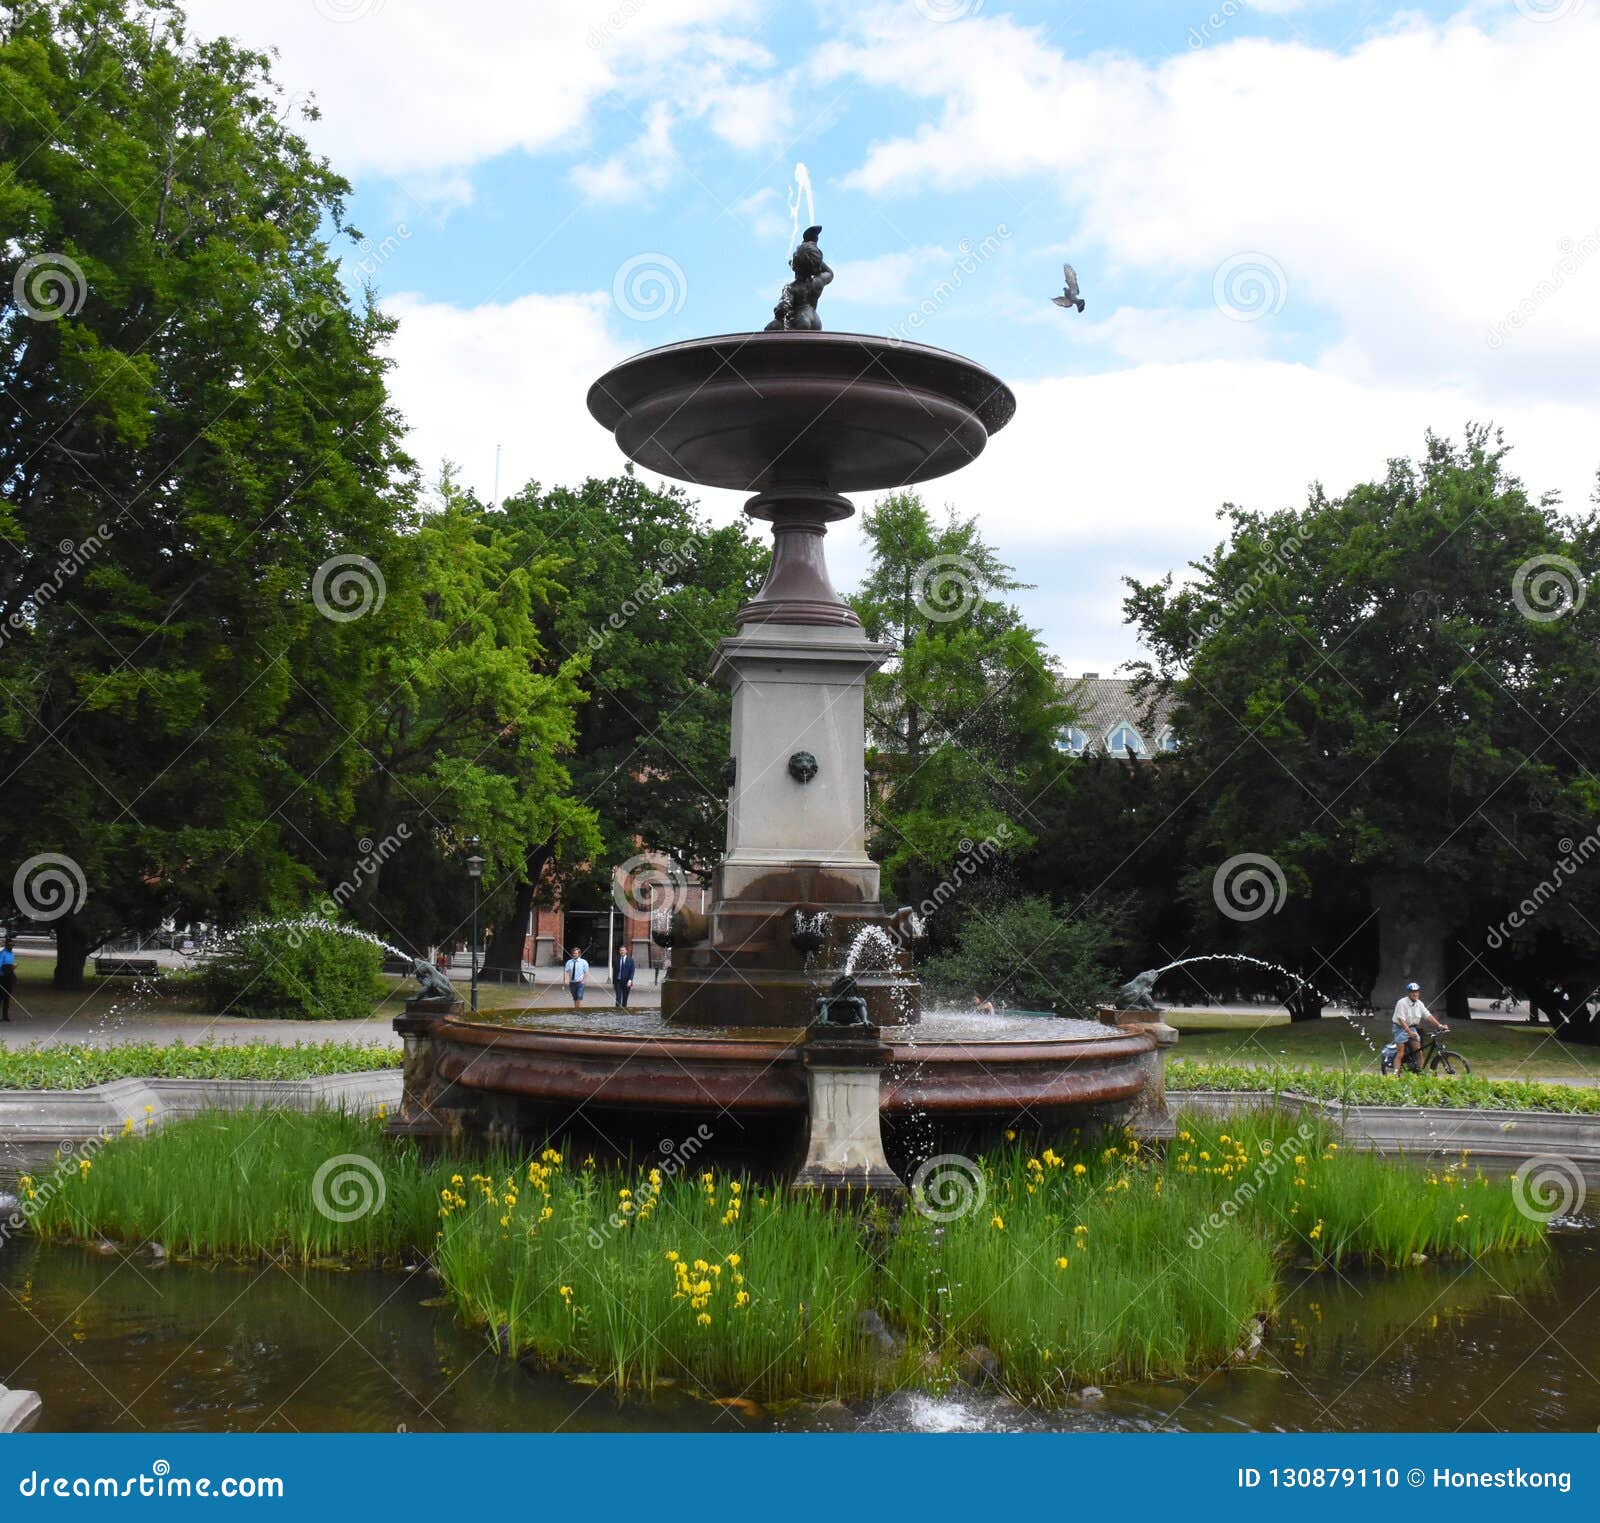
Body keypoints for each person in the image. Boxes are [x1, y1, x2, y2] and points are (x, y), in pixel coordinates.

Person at [1391, 981, 1445, 1073]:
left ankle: (1420, 1073)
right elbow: (1401, 1019)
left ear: (1418, 993)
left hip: (1412, 1028)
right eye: (1412, 992)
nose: (1415, 994)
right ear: (1408, 993)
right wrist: (1409, 1032)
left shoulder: (1419, 1003)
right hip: (1400, 1028)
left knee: (1419, 1052)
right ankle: (1395, 1074)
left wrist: (1439, 1025)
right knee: (1400, 1053)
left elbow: (1428, 1015)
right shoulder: (1402, 1003)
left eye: (1416, 992)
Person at [0, 936, 15, 1022]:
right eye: (10, 945)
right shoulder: (2, 953)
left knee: (7, 997)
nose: (12, 947)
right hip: (2, 977)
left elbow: (11, 965)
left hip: (9, 977)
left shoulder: (12, 954)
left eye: (12, 945)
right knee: (1, 997)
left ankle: (5, 1016)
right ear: (6, 945)